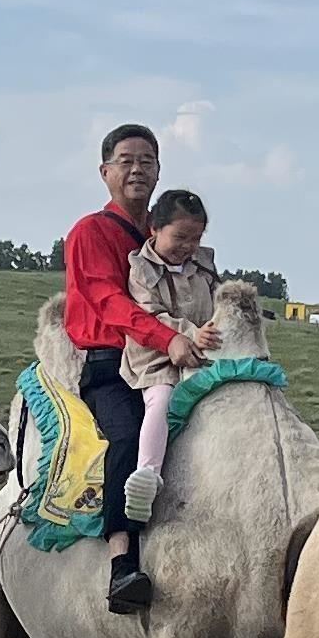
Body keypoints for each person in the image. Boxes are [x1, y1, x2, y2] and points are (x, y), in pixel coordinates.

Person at [60, 124, 180, 612]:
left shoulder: (167, 232)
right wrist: (168, 338)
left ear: (159, 171)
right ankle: (121, 563)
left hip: (167, 356)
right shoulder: (90, 232)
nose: (137, 168)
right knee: (128, 437)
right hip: (113, 364)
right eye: (126, 160)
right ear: (105, 171)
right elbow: (109, 302)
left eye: (147, 160)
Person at [119, 187, 224, 526]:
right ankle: (147, 476)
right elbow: (149, 315)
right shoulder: (140, 269)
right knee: (161, 400)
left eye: (195, 238)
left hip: (203, 354)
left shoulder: (204, 266)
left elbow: (217, 304)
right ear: (154, 229)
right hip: (156, 357)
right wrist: (190, 332)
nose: (187, 247)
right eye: (179, 237)